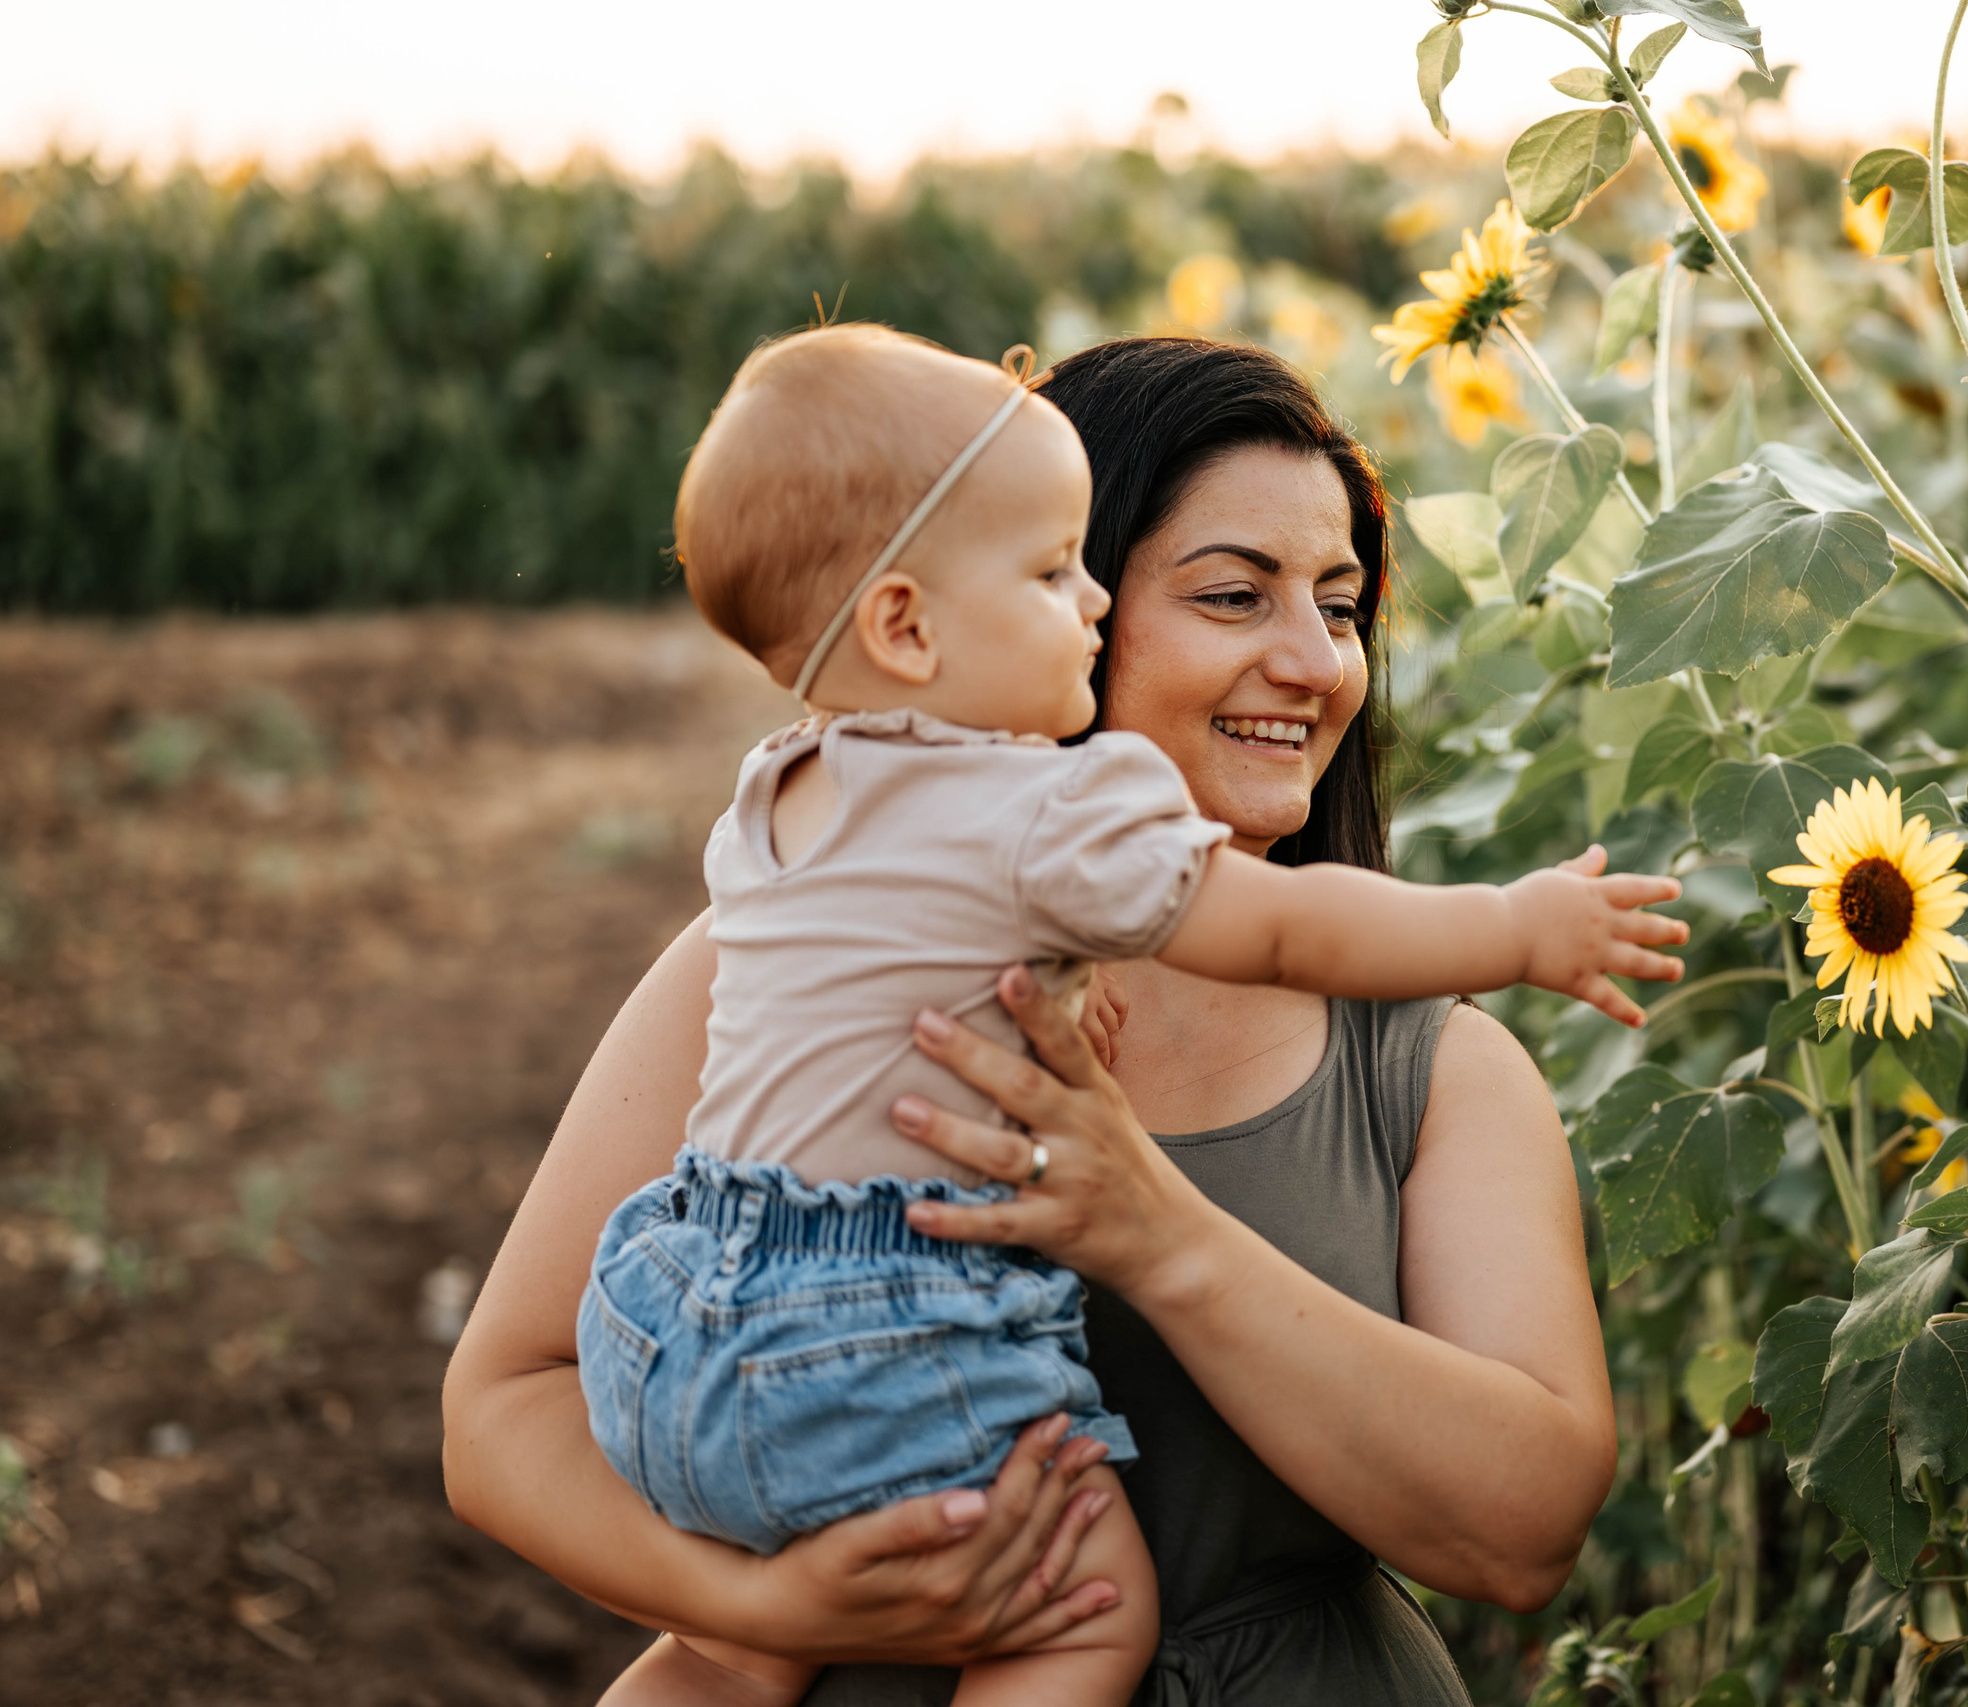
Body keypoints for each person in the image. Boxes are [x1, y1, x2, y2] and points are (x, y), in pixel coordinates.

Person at [443, 335, 1634, 1706]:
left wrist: (1156, 1231)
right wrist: (757, 1604)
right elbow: (501, 1415)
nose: (1317, 663)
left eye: (1343, 607)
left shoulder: (1431, 1064)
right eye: (1234, 596)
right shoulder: (786, 964)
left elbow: (1527, 1528)